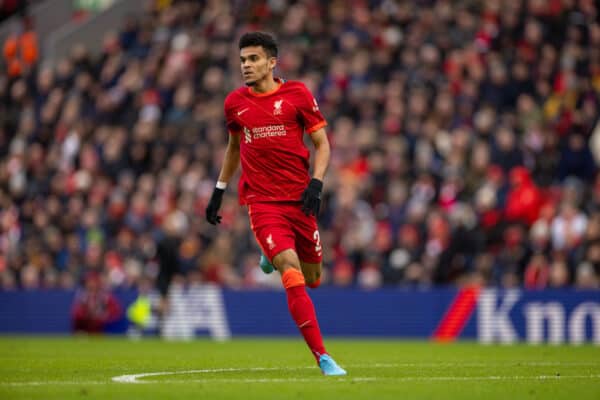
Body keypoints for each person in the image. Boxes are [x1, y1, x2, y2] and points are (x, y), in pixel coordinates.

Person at [205, 32, 346, 376]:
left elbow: (321, 144)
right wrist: (219, 189)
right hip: (262, 203)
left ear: (271, 62)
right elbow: (234, 147)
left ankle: (268, 257)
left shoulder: (297, 94)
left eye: (253, 59)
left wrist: (317, 182)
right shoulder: (235, 103)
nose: (246, 66)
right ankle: (323, 357)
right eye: (242, 60)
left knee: (313, 278)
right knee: (291, 271)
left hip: (299, 200)